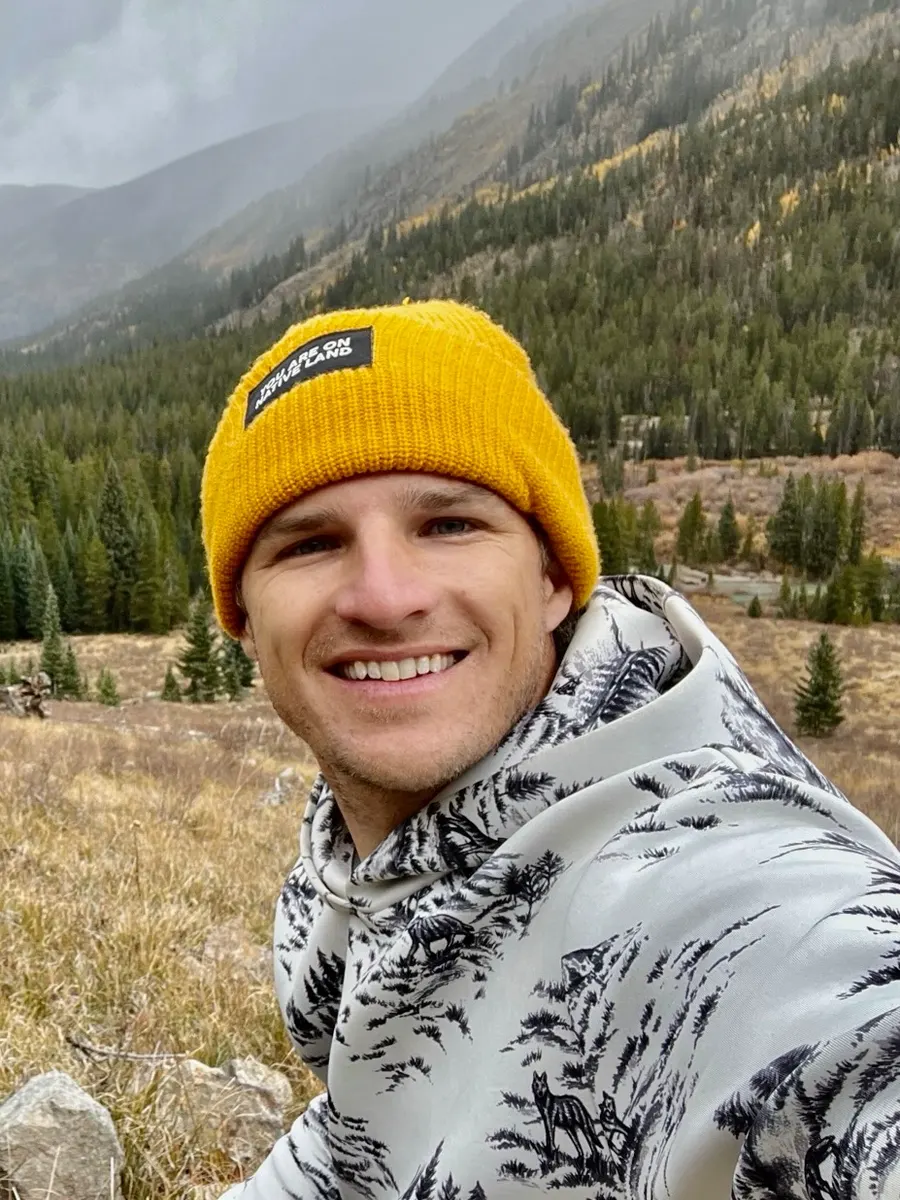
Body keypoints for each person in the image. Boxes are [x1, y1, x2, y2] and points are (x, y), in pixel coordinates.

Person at [202, 299, 900, 1199]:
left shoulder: (710, 891)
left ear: (555, 577)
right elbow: (366, 1128)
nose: (383, 596)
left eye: (449, 524)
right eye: (310, 543)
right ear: (245, 623)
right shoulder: (372, 855)